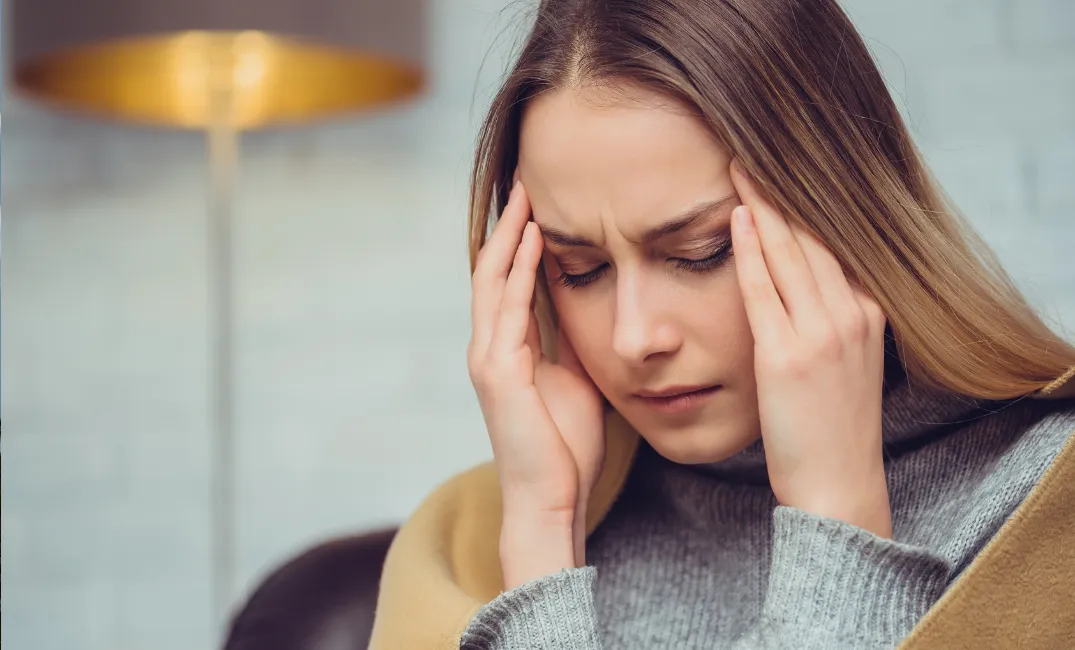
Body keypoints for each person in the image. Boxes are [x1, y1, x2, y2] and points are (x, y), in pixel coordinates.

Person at [369, 1, 1075, 648]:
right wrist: (541, 536)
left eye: (700, 252)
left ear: (846, 216)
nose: (634, 338)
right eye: (579, 268)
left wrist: (836, 522)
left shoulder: (1042, 503)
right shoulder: (467, 539)